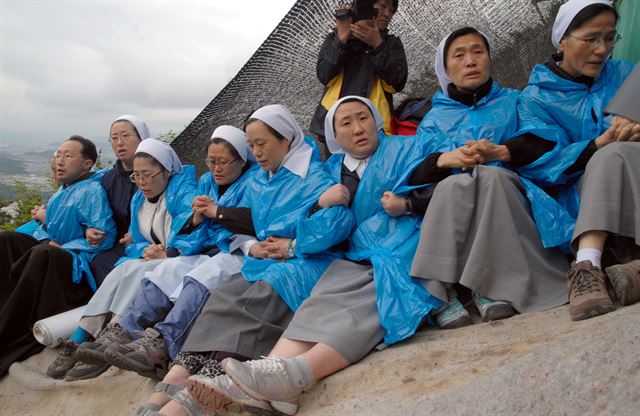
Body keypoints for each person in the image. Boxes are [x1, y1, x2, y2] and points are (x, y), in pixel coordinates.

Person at [187, 96, 441, 416]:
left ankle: (297, 374)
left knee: (370, 305)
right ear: (334, 134)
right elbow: (307, 213)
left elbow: (438, 160)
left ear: (377, 119)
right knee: (319, 303)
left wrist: (410, 201)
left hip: (401, 248)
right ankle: (273, 378)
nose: (357, 128)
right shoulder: (333, 168)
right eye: (345, 123)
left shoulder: (405, 148)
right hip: (355, 254)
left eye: (363, 118)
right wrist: (319, 205)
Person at [136, 104, 353, 416]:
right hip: (263, 261)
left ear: (287, 139)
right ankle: (175, 380)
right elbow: (232, 228)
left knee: (258, 296)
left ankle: (207, 384)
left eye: (261, 143)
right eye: (251, 145)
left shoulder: (314, 176)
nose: (256, 152)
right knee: (225, 293)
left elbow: (335, 225)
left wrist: (292, 244)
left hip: (306, 262)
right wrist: (252, 246)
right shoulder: (260, 181)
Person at [384, 28, 571, 329]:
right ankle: (442, 292)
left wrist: (502, 152)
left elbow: (547, 140)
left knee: (491, 177)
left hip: (512, 198)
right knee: (455, 184)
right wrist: (445, 160)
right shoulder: (434, 119)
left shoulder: (514, 101)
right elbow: (413, 172)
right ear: (446, 69)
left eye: (477, 52)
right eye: (459, 55)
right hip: (455, 201)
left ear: (488, 58)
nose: (470, 61)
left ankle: (489, 285)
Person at [515, 0, 639, 321]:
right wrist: (600, 143)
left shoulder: (628, 75)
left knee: (620, 153)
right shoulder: (535, 98)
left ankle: (627, 273)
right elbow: (542, 164)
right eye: (591, 39)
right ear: (562, 40)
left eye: (610, 38)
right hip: (580, 202)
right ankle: (587, 267)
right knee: (608, 155)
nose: (602, 50)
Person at [101, 126, 258, 379]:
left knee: (202, 277)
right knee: (167, 270)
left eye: (223, 162)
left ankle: (163, 342)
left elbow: (259, 220)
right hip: (211, 247)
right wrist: (196, 219)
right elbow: (194, 228)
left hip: (242, 249)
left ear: (241, 159)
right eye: (211, 161)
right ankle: (126, 331)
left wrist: (216, 212)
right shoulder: (207, 181)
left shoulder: (255, 181)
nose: (215, 168)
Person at [47, 139, 201, 381]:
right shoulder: (139, 199)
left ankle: (114, 335)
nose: (141, 182)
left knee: (139, 271)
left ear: (166, 171)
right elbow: (135, 240)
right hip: (157, 258)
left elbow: (197, 231)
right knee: (123, 269)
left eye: (147, 175)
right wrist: (145, 250)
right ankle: (79, 338)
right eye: (136, 176)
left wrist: (168, 252)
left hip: (184, 259)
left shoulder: (184, 193)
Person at [0, 136, 116, 377]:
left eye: (68, 156)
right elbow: (47, 232)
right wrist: (46, 232)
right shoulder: (60, 193)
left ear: (87, 164)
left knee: (43, 253)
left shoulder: (91, 191)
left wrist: (65, 245)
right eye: (57, 155)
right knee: (8, 240)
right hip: (50, 249)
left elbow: (104, 237)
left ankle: (8, 326)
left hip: (74, 263)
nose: (59, 162)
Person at [309, 0, 407, 152]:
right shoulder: (335, 37)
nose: (387, 13)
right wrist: (341, 38)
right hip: (337, 129)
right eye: (382, 6)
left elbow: (397, 83)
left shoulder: (391, 43)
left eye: (392, 10)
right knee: (339, 173)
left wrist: (378, 45)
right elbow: (324, 75)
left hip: (377, 129)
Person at [88, 115, 150, 286]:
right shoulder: (107, 180)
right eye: (114, 138)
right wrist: (90, 230)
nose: (119, 143)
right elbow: (96, 216)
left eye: (125, 136)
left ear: (142, 139)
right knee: (99, 261)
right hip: (118, 244)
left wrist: (141, 234)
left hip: (153, 241)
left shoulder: (161, 175)